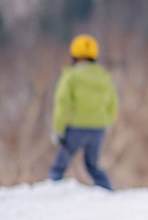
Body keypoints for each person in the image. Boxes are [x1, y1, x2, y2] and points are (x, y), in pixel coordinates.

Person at [49, 33, 119, 190]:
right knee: (92, 166)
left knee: (59, 166)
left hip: (76, 128)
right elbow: (113, 103)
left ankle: (50, 194)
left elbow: (61, 103)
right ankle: (108, 192)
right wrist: (108, 122)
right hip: (98, 128)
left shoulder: (71, 77)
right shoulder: (104, 77)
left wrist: (58, 129)